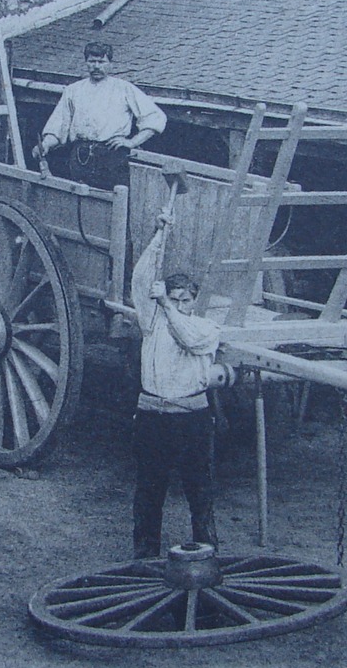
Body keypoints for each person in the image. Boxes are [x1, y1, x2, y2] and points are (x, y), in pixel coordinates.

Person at [130, 207, 221, 559]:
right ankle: (144, 560)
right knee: (148, 494)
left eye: (187, 300)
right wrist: (159, 236)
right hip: (152, 419)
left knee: (200, 493)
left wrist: (166, 303)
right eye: (176, 298)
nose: (181, 305)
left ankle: (209, 560)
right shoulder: (151, 323)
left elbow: (185, 337)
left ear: (194, 303)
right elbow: (140, 281)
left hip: (192, 421)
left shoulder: (205, 329)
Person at [34, 40, 167, 191]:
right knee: (80, 201)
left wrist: (132, 142)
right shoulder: (73, 90)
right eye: (92, 61)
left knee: (115, 201)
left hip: (112, 157)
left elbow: (155, 117)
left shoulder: (124, 89)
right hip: (80, 157)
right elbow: (58, 126)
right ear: (86, 62)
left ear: (110, 63)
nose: (96, 66)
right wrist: (45, 144)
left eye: (102, 61)